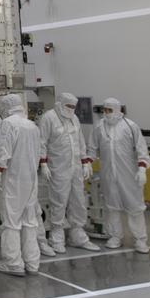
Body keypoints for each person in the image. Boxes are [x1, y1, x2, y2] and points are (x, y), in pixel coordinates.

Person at [0, 94, 45, 276]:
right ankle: (32, 263)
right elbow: (38, 152)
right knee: (30, 221)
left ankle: (13, 263)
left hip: (13, 178)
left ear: (5, 107)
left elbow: (4, 149)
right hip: (31, 179)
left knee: (11, 222)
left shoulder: (9, 123)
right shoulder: (32, 125)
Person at [39, 92, 100, 253]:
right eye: (69, 106)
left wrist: (85, 162)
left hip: (76, 168)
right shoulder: (49, 118)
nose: (71, 109)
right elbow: (42, 142)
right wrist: (43, 163)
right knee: (59, 201)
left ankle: (77, 234)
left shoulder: (74, 119)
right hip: (58, 167)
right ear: (60, 103)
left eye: (74, 106)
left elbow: (80, 142)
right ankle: (56, 237)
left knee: (78, 199)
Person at [87, 97, 150, 254]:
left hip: (129, 175)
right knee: (111, 207)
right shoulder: (99, 127)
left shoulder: (130, 126)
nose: (106, 114)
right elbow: (92, 149)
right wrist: (87, 163)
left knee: (135, 207)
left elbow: (142, 150)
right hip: (108, 175)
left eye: (109, 110)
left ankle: (140, 240)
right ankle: (115, 236)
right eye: (104, 110)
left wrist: (142, 169)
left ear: (117, 110)